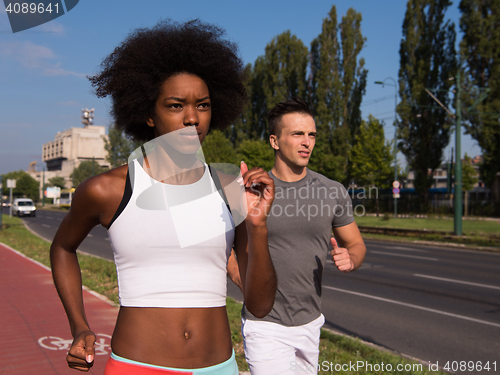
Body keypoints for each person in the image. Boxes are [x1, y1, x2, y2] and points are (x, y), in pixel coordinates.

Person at [50, 20, 276, 375]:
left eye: (202, 105)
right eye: (175, 106)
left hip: (219, 367)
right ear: (148, 114)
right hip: (138, 366)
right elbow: (62, 248)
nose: (191, 118)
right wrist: (79, 325)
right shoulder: (107, 190)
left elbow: (261, 305)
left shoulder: (232, 186)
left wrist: (258, 226)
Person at [229, 97, 366, 375]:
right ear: (275, 141)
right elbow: (227, 251)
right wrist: (245, 284)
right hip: (265, 323)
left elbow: (356, 244)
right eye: (297, 134)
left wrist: (351, 258)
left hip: (311, 323)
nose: (307, 142)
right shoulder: (252, 192)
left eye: (311, 134)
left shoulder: (332, 191)